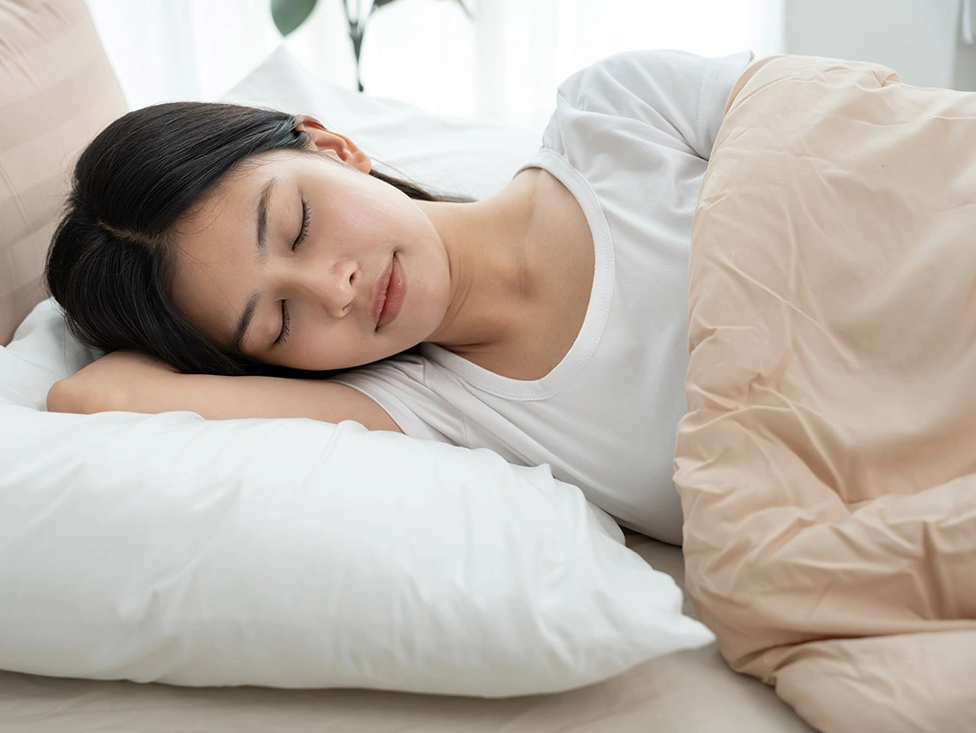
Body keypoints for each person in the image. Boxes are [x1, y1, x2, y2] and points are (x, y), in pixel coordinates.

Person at [45, 49, 754, 545]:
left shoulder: (622, 111)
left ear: (331, 145)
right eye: (279, 320)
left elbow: (851, 138)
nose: (333, 289)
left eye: (299, 226)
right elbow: (93, 395)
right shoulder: (432, 408)